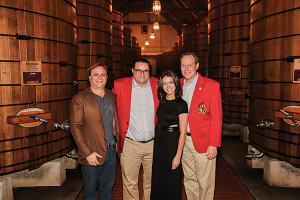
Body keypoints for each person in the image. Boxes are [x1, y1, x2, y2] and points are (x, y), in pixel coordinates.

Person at [70, 63, 119, 200]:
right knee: (90, 192)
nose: (99, 77)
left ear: (107, 77)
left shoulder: (112, 95)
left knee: (107, 189)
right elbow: (75, 126)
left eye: (102, 74)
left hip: (110, 150)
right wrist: (87, 153)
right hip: (92, 152)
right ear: (89, 78)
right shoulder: (80, 98)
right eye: (95, 74)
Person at [112, 58, 160, 200]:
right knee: (130, 183)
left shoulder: (158, 84)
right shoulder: (120, 85)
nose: (142, 74)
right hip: (130, 145)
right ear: (132, 71)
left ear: (149, 72)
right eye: (138, 70)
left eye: (145, 71)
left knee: (151, 182)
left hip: (152, 145)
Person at [180, 52, 222, 200]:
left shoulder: (211, 86)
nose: (186, 69)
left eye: (189, 65)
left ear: (197, 66)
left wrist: (213, 144)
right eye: (183, 65)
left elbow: (217, 118)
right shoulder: (178, 85)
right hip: (184, 142)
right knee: (189, 180)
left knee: (205, 182)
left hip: (204, 143)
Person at [150, 70, 188, 200]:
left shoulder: (182, 104)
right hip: (159, 143)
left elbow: (183, 132)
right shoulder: (162, 100)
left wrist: (178, 156)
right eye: (165, 83)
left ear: (176, 83)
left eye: (171, 82)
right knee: (158, 179)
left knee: (172, 181)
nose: (168, 86)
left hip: (172, 144)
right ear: (161, 86)